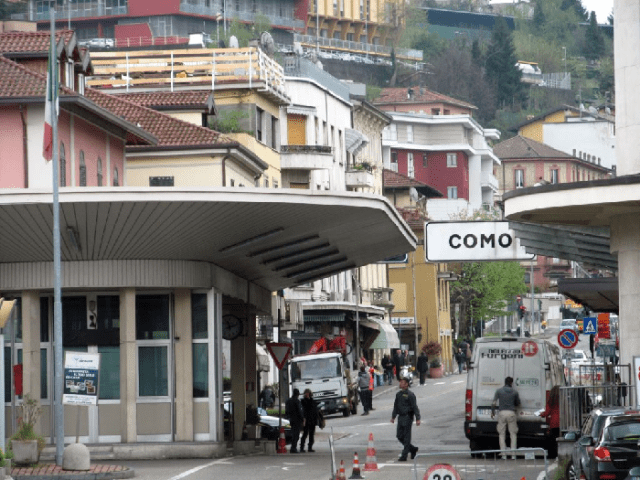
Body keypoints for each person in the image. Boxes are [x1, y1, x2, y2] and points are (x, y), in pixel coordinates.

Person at [391, 377, 421, 461]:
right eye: (400, 382)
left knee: (407, 437)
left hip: (408, 417)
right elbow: (396, 406)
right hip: (401, 417)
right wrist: (393, 416)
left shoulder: (410, 395)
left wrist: (418, 418)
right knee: (399, 436)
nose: (401, 384)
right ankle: (412, 449)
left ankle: (404, 455)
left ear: (407, 384)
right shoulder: (398, 394)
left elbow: (415, 407)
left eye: (403, 382)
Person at [491, 376, 521, 459]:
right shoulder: (515, 392)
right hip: (511, 413)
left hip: (502, 413)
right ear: (511, 383)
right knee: (513, 434)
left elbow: (494, 402)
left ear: (504, 382)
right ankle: (513, 454)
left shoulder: (499, 391)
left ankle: (503, 454)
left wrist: (493, 412)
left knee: (501, 434)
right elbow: (518, 403)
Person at [540, 385, 560, 458]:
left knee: (552, 440)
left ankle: (553, 454)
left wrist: (541, 414)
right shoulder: (564, 400)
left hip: (554, 423)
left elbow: (547, 413)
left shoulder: (551, 401)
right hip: (563, 422)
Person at [285, 388, 304, 453]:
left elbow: (286, 411)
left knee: (293, 433)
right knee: (296, 434)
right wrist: (302, 419)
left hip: (290, 419)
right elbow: (299, 411)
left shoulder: (288, 401)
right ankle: (293, 448)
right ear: (297, 394)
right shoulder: (297, 401)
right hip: (297, 419)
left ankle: (293, 447)